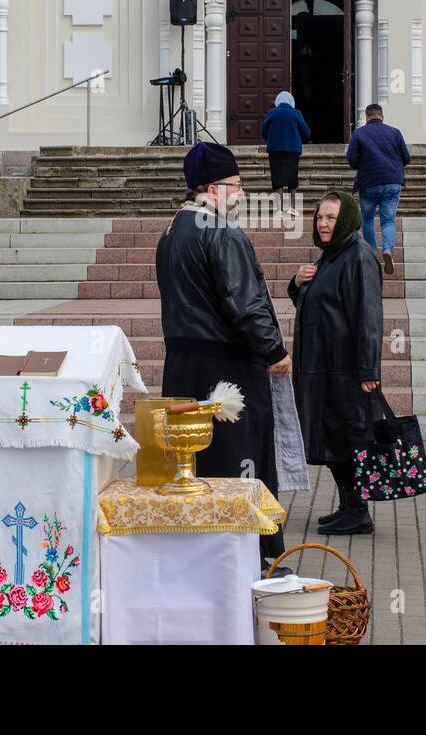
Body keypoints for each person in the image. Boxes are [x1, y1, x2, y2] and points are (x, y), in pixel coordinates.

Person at [155, 141, 293, 570]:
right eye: (235, 185)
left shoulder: (171, 231)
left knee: (193, 467)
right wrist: (275, 350)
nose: (242, 193)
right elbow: (244, 303)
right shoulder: (222, 231)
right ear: (211, 189)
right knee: (239, 466)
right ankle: (254, 561)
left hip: (183, 367)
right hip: (227, 372)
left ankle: (202, 559)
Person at [288, 190, 383, 537]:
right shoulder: (331, 256)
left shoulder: (358, 256)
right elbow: (317, 303)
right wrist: (297, 284)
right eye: (319, 217)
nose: (323, 223)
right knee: (330, 440)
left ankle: (358, 511)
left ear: (345, 221)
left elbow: (369, 316)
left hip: (345, 371)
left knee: (346, 440)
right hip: (323, 369)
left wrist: (369, 369)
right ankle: (348, 506)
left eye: (330, 218)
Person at [345, 103, 411, 275]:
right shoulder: (394, 132)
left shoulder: (358, 134)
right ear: (382, 116)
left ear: (367, 117)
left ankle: (372, 254)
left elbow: (352, 160)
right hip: (392, 181)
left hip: (369, 182)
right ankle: (388, 249)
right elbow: (406, 157)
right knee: (388, 220)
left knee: (367, 219)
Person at [260, 90, 310, 211]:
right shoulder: (296, 113)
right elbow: (307, 132)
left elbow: (264, 132)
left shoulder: (271, 113)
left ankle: (279, 209)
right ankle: (292, 207)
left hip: (275, 150)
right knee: (292, 178)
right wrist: (297, 138)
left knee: (277, 178)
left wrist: (272, 138)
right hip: (293, 150)